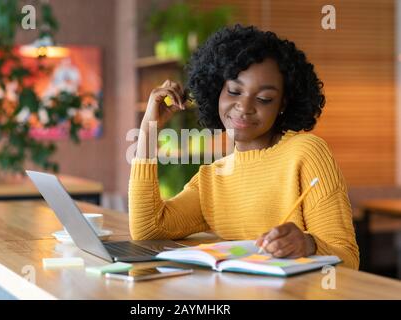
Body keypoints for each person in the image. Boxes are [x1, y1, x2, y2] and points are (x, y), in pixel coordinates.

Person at [129, 25, 359, 269]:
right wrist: (148, 129)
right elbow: (148, 230)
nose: (245, 106)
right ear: (217, 89)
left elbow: (348, 259)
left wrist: (308, 244)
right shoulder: (213, 177)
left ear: (282, 104)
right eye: (235, 91)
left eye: (264, 99)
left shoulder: (306, 153)